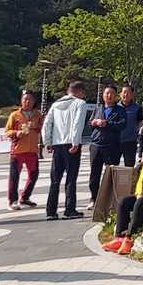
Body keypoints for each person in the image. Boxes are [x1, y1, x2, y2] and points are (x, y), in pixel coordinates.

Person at [42, 80, 87, 220]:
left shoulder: (56, 104)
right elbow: (77, 123)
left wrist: (47, 141)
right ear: (80, 92)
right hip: (71, 143)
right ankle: (69, 209)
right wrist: (75, 141)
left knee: (55, 179)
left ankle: (51, 211)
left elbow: (47, 123)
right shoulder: (80, 103)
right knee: (71, 178)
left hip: (57, 144)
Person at [88, 84, 124, 210]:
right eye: (106, 93)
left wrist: (107, 123)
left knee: (111, 174)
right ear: (103, 95)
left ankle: (110, 200)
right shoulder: (99, 108)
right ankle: (94, 198)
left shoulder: (120, 110)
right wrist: (94, 122)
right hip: (96, 145)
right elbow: (90, 123)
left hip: (112, 146)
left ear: (116, 96)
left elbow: (122, 125)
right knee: (94, 174)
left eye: (111, 93)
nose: (109, 96)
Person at [4, 89, 41, 211]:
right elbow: (7, 131)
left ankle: (25, 197)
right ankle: (12, 201)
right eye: (25, 99)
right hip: (18, 150)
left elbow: (41, 128)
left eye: (30, 99)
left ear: (34, 101)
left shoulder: (38, 114)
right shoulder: (15, 115)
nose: (27, 102)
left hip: (32, 150)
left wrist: (37, 127)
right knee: (14, 176)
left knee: (34, 175)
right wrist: (16, 133)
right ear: (21, 100)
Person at [116, 84, 140, 168]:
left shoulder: (137, 108)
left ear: (132, 95)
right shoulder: (115, 107)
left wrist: (135, 132)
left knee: (129, 167)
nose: (126, 94)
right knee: (112, 166)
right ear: (120, 94)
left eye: (128, 92)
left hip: (130, 142)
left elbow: (140, 122)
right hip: (115, 141)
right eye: (124, 92)